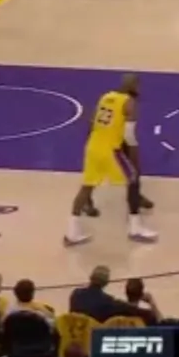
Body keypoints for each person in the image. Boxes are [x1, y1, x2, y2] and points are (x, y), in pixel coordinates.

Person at [64, 74, 157, 246]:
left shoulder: (105, 97)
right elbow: (129, 136)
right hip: (110, 150)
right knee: (133, 179)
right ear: (134, 86)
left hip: (93, 146)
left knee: (86, 187)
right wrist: (134, 156)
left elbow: (92, 122)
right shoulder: (129, 103)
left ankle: (71, 233)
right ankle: (135, 228)